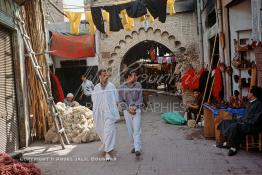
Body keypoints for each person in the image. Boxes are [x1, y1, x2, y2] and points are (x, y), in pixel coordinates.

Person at [217, 86, 262, 156]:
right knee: (225, 122)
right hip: (244, 122)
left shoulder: (259, 104)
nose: (247, 94)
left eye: (249, 92)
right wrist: (240, 119)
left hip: (252, 126)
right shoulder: (251, 103)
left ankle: (233, 147)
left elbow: (255, 120)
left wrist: (243, 121)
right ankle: (228, 142)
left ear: (252, 94)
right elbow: (245, 116)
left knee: (234, 126)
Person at [91, 69, 120, 161]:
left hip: (110, 114)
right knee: (101, 131)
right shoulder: (96, 88)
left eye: (107, 75)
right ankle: (107, 145)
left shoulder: (111, 86)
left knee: (108, 131)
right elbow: (94, 101)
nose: (106, 77)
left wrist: (114, 112)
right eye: (104, 75)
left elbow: (116, 100)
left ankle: (107, 152)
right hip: (99, 114)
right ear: (99, 76)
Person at [119, 70, 143, 157]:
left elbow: (140, 98)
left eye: (135, 76)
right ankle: (133, 146)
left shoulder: (138, 85)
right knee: (130, 130)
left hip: (137, 109)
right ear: (128, 78)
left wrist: (135, 107)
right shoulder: (122, 87)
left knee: (136, 129)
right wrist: (127, 109)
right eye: (133, 76)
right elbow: (121, 101)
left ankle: (137, 148)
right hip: (127, 111)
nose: (135, 77)